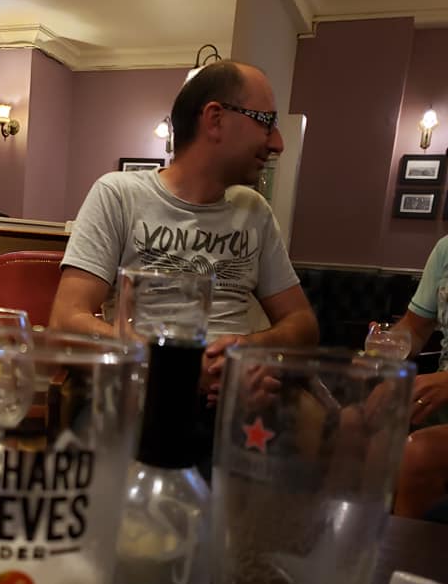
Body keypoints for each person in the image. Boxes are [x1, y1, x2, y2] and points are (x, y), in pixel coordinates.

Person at [50, 59, 318, 417]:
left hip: (238, 406)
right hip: (143, 399)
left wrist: (245, 354)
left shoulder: (254, 211)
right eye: (266, 122)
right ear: (215, 119)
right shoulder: (119, 194)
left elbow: (303, 324)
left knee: (324, 422)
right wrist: (182, 368)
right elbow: (65, 321)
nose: (278, 143)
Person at [392, 235, 448, 428]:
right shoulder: (445, 248)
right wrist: (385, 350)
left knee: (416, 446)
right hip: (439, 401)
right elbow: (415, 328)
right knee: (354, 420)